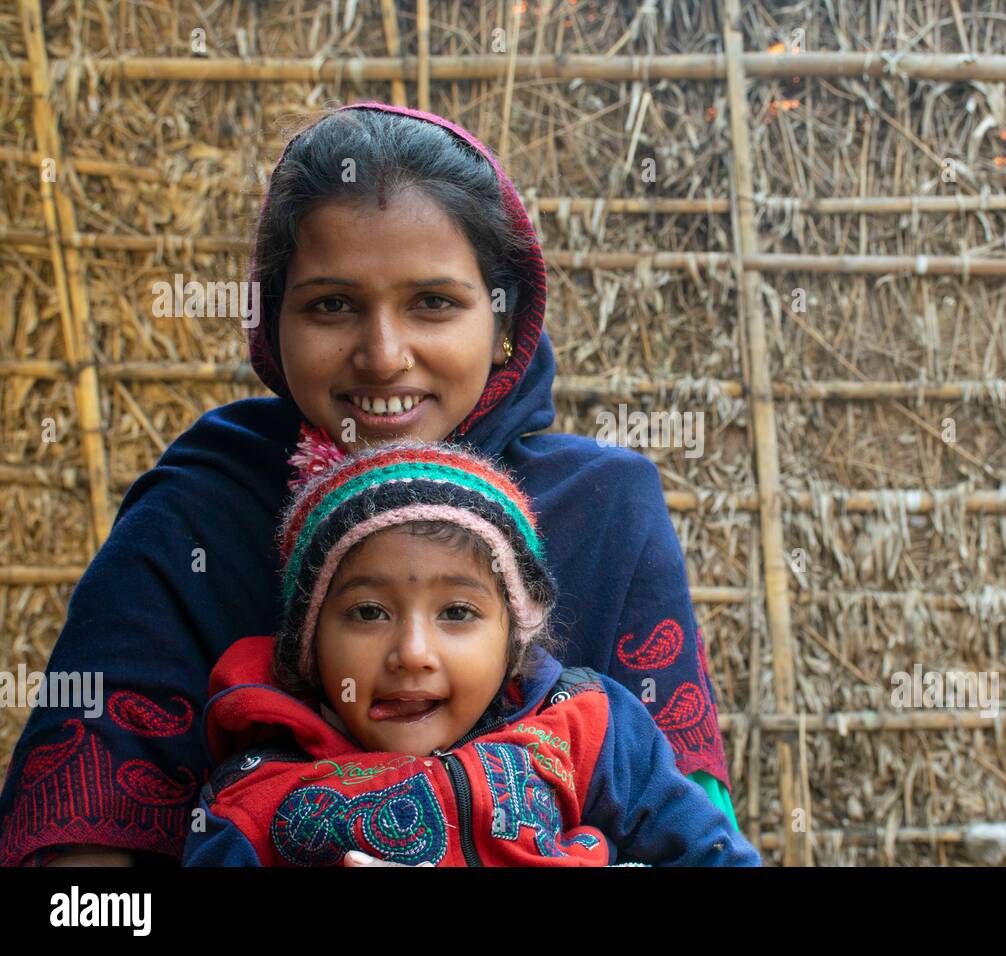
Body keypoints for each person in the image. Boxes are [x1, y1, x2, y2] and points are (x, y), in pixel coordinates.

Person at [0, 102, 736, 866]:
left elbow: (698, 831)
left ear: (508, 321)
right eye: (332, 305)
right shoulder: (200, 511)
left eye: (433, 303)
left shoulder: (603, 509)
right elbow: (80, 875)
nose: (383, 355)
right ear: (271, 324)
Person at [183, 442, 758, 866]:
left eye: (457, 613)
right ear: (308, 647)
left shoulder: (587, 730)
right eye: (368, 613)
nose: (412, 653)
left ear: (515, 640)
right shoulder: (256, 796)